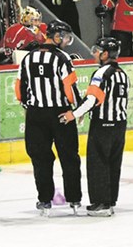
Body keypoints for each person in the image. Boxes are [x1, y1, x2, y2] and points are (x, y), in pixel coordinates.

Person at [15, 19, 82, 216]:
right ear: (57, 36)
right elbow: (69, 88)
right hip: (61, 114)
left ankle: (44, 200)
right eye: (66, 38)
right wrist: (75, 111)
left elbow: (20, 89)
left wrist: (29, 107)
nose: (67, 42)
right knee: (69, 157)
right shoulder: (62, 58)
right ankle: (74, 199)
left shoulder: (28, 58)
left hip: (36, 115)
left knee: (40, 158)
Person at [59, 37, 129, 217]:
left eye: (97, 50)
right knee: (114, 163)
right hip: (119, 125)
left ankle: (101, 203)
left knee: (98, 163)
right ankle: (110, 200)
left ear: (105, 54)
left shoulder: (101, 73)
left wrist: (73, 114)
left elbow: (92, 99)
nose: (94, 54)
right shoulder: (122, 73)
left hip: (103, 125)